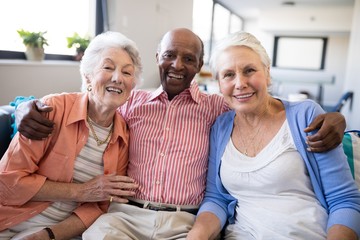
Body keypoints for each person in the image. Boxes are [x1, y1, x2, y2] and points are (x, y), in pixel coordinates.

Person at [15, 28, 347, 239]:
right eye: (170, 55)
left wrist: (337, 118)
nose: (177, 64)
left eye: (189, 58)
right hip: (125, 215)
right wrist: (23, 108)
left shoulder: (218, 110)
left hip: (184, 221)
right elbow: (82, 101)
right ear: (158, 58)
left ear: (200, 66)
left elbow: (261, 106)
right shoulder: (131, 102)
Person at [187, 31, 360, 240]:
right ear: (219, 83)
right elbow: (216, 198)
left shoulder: (305, 116)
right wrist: (195, 236)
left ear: (267, 73)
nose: (240, 83)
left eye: (249, 70)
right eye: (229, 74)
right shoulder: (220, 127)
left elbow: (344, 200)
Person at [0, 31, 141, 239]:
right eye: (108, 67)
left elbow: (99, 206)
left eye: (127, 73)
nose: (118, 78)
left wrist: (47, 235)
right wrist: (81, 191)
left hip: (60, 232)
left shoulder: (123, 137)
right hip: (10, 218)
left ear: (133, 86)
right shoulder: (53, 109)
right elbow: (7, 182)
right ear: (88, 76)